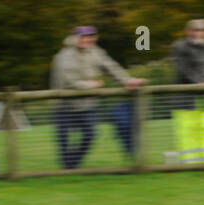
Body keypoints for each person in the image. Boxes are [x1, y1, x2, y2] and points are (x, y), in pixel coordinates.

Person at [49, 25, 144, 169]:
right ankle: (67, 168)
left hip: (87, 104)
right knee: (63, 140)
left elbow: (111, 67)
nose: (86, 40)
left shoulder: (96, 52)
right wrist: (89, 84)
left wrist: (127, 80)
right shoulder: (64, 56)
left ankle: (71, 165)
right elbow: (69, 81)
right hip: (64, 105)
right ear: (74, 38)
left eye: (90, 37)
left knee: (90, 135)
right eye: (83, 37)